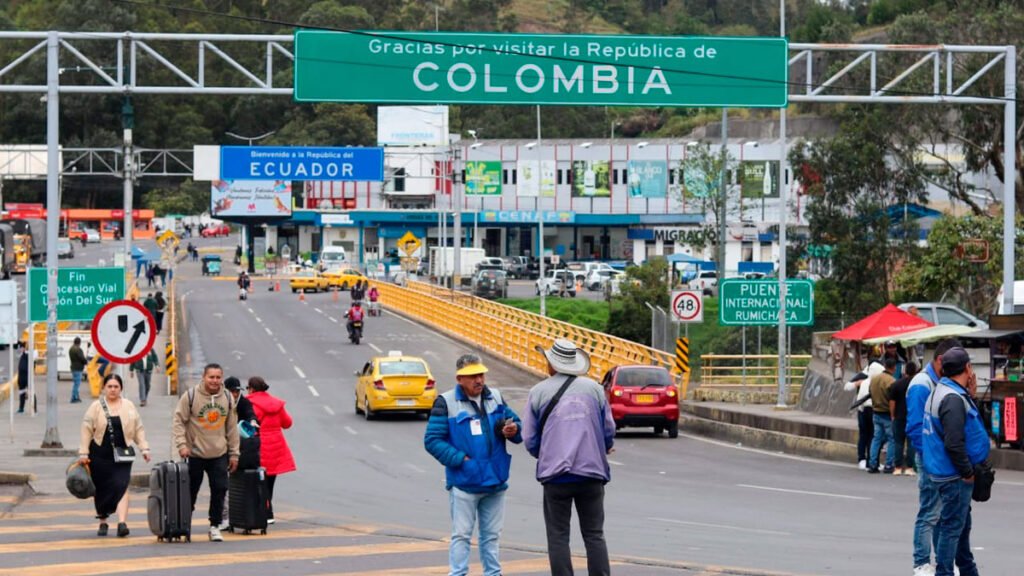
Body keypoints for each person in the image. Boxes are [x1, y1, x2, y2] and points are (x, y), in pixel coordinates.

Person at [424, 354, 522, 576]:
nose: (479, 380)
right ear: (460, 379)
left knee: (492, 536)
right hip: (465, 483)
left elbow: (516, 424)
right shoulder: (446, 402)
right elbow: (432, 440)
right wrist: (461, 460)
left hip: (495, 481)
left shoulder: (495, 398)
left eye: (480, 374)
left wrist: (513, 430)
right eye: (472, 376)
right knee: (461, 535)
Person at [522, 339, 614, 576]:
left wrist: (546, 454)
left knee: (558, 536)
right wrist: (603, 447)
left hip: (556, 476)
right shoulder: (594, 389)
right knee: (594, 534)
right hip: (592, 473)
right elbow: (608, 429)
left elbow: (530, 438)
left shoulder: (538, 392)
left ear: (552, 365)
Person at [923, 347, 990, 576]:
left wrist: (971, 395)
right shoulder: (952, 399)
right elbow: (954, 442)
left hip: (944, 472)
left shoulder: (944, 391)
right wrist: (967, 472)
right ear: (968, 368)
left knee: (959, 528)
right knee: (952, 529)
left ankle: (967, 569)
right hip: (954, 476)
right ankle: (944, 572)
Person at [906, 338, 961, 576]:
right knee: (929, 513)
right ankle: (920, 563)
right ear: (941, 360)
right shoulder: (922, 384)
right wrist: (930, 459)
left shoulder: (940, 382)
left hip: (940, 460)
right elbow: (916, 428)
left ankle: (942, 561)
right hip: (930, 460)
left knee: (940, 514)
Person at [172, 363, 240, 542]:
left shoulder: (227, 397)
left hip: (219, 453)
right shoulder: (191, 396)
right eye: (211, 377)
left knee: (220, 489)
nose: (215, 381)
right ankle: (185, 525)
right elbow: (178, 420)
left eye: (218, 377)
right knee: (190, 492)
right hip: (194, 454)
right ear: (204, 377)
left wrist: (234, 454)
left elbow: (232, 428)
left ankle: (214, 526)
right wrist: (181, 445)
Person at [77, 373, 151, 537]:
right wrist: (84, 453)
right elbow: (86, 430)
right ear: (104, 388)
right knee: (102, 488)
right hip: (99, 454)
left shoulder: (129, 406)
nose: (112, 390)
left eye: (116, 387)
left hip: (123, 454)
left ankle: (122, 523)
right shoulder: (96, 406)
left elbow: (138, 428)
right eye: (109, 386)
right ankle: (103, 521)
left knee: (121, 485)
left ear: (121, 389)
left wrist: (144, 448)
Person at [246, 376, 295, 525]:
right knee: (269, 482)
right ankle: (268, 511)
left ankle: (267, 512)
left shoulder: (250, 404)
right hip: (277, 446)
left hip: (260, 446)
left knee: (259, 482)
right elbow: (287, 423)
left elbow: (249, 425)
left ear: (252, 389)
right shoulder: (276, 404)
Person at [844, 361, 882, 470]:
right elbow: (847, 386)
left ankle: (871, 460)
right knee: (865, 435)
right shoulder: (863, 377)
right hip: (864, 410)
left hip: (870, 409)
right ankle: (862, 458)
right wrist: (857, 383)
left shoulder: (876, 379)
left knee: (872, 436)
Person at [868, 356, 898, 474]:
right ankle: (889, 465)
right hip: (887, 413)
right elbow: (892, 400)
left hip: (876, 412)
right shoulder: (891, 381)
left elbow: (870, 393)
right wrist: (893, 415)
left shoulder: (874, 379)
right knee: (891, 439)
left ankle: (872, 464)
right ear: (894, 368)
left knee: (876, 439)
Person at [890, 361, 919, 476]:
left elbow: (892, 402)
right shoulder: (916, 385)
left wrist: (892, 415)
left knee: (898, 442)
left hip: (898, 417)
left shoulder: (897, 384)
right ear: (915, 371)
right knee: (911, 443)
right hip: (912, 417)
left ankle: (897, 467)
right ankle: (909, 467)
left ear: (905, 371)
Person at [68, 336, 88, 404]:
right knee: (77, 384)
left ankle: (75, 396)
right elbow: (82, 358)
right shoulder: (78, 349)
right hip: (78, 368)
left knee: (75, 383)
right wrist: (86, 362)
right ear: (79, 343)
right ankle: (74, 397)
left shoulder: (71, 349)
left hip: (73, 367)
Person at [17, 343, 29, 414]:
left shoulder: (26, 356)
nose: (20, 349)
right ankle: (21, 408)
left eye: (21, 348)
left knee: (30, 393)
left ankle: (34, 408)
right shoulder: (22, 356)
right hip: (21, 379)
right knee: (22, 394)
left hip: (26, 378)